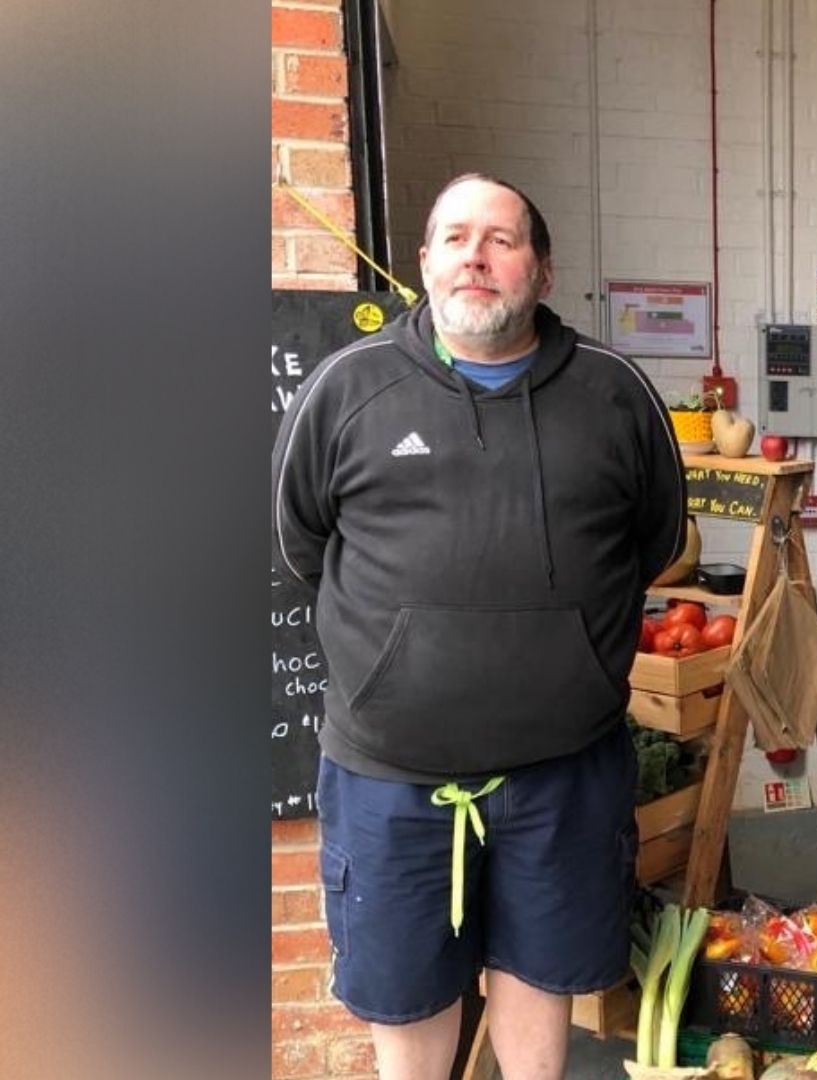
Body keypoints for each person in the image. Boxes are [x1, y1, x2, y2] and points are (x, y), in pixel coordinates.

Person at [273, 174, 686, 1080]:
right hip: (391, 778)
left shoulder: (615, 393)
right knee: (408, 996)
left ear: (541, 269)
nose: (476, 256)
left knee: (540, 978)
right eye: (455, 238)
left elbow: (654, 541)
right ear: (424, 262)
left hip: (563, 772)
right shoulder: (348, 387)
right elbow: (300, 543)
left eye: (502, 239)